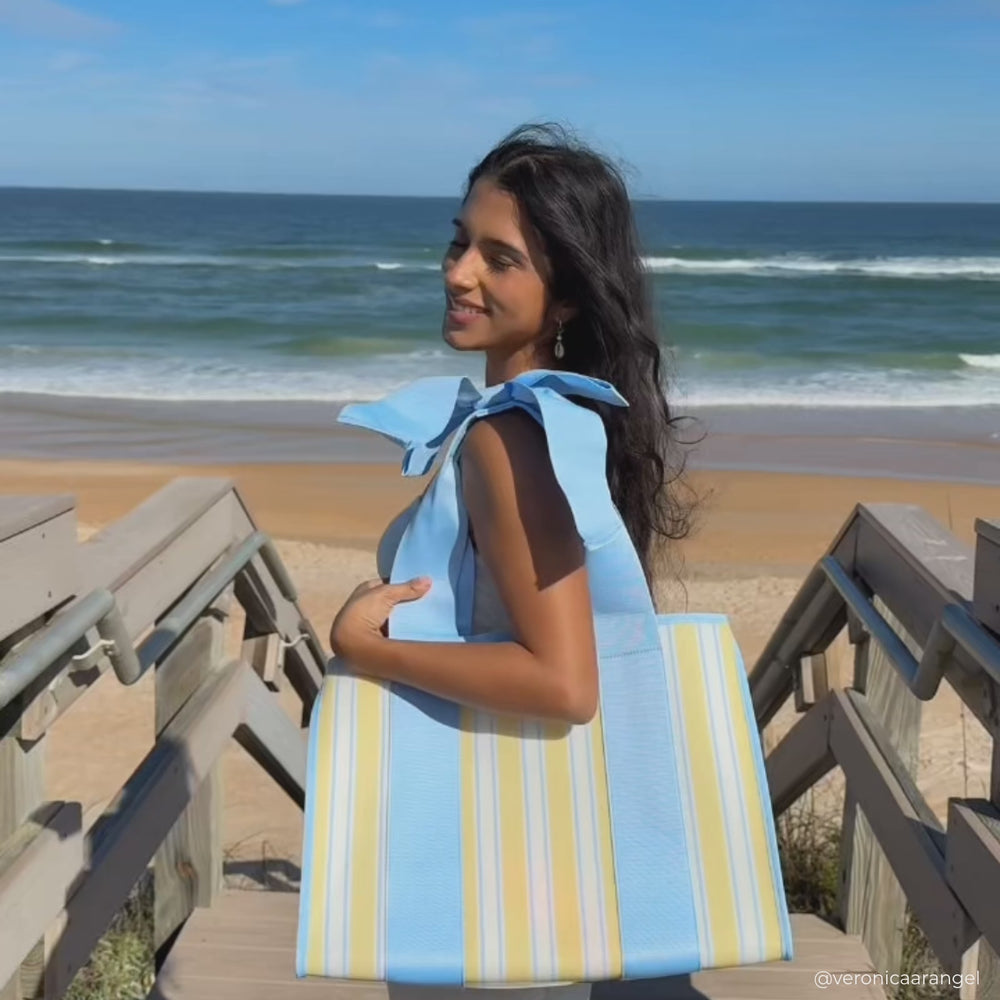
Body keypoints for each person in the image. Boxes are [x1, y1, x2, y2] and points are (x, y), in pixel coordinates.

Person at [327, 123, 695, 998]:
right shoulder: (529, 422)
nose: (459, 273)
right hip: (508, 849)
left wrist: (366, 645)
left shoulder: (508, 437)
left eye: (501, 258)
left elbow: (565, 685)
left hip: (487, 859)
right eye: (461, 243)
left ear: (564, 298)